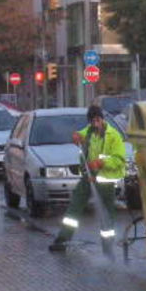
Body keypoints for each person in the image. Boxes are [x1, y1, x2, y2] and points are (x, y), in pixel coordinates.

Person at [48, 105, 126, 254]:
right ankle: (62, 240)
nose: (95, 123)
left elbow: (119, 160)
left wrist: (101, 163)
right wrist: (76, 136)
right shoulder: (89, 132)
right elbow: (80, 134)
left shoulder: (113, 136)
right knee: (75, 206)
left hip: (106, 180)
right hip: (89, 177)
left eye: (97, 119)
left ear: (102, 119)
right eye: (92, 120)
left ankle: (108, 248)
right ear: (90, 121)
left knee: (107, 215)